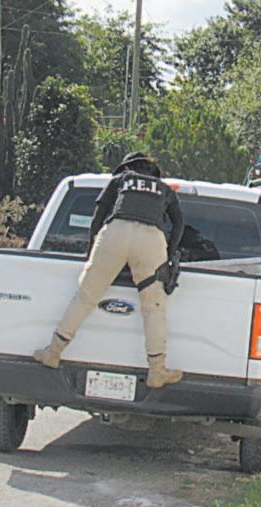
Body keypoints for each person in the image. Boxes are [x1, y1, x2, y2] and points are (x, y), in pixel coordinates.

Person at [34, 152, 186, 389]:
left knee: (86, 297)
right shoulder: (165, 189)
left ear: (127, 168)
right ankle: (157, 370)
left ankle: (53, 353)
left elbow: (99, 216)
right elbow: (179, 223)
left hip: (116, 232)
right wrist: (168, 256)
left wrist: (91, 253)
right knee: (153, 308)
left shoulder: (121, 180)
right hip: (151, 239)